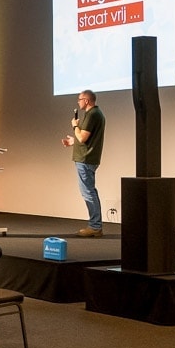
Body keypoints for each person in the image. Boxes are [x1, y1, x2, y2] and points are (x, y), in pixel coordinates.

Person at [61, 89, 106, 238]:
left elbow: (83, 138)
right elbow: (84, 139)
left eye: (79, 99)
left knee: (88, 192)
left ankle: (95, 226)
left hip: (85, 159)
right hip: (86, 158)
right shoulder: (94, 114)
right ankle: (95, 225)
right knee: (90, 191)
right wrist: (72, 142)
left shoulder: (92, 114)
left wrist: (75, 125)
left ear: (86, 100)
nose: (78, 102)